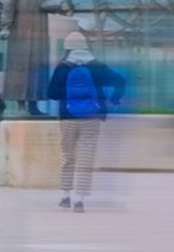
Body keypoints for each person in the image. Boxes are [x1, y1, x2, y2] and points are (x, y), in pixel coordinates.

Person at [46, 32, 125, 213]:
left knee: (68, 157)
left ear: (67, 47)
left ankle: (65, 197)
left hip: (68, 117)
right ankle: (79, 200)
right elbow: (120, 80)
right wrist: (114, 99)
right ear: (85, 46)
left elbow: (52, 93)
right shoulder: (96, 65)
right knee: (85, 159)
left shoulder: (63, 67)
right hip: (92, 117)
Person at [1, 0, 54, 115]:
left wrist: (60, 5)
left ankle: (34, 104)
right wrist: (6, 25)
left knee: (38, 67)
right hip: (22, 29)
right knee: (21, 67)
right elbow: (9, 1)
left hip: (41, 28)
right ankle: (21, 105)